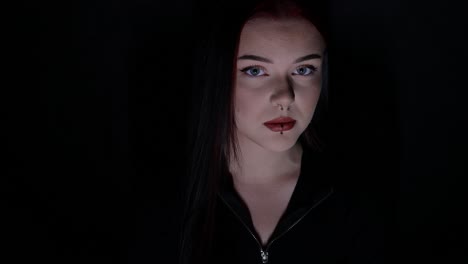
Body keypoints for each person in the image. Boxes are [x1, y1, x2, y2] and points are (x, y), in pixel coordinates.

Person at [180, 0, 384, 263]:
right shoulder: (167, 204)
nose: (285, 96)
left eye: (303, 69)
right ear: (219, 75)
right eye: (255, 71)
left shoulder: (356, 201)